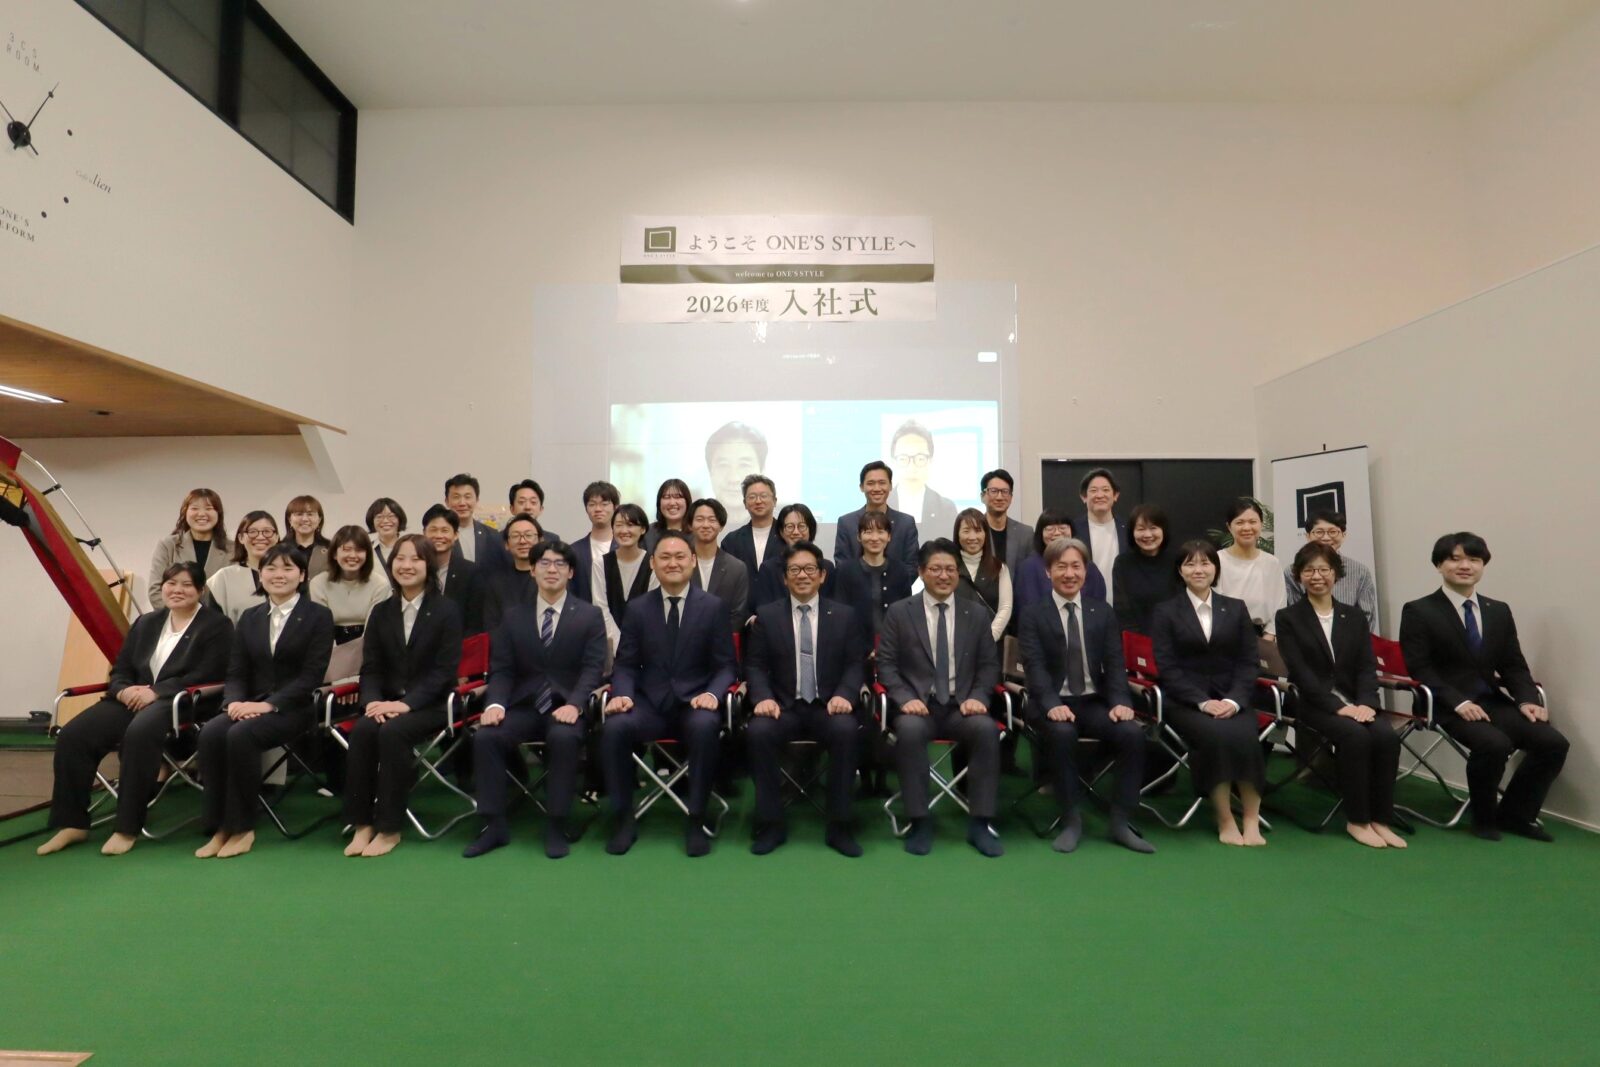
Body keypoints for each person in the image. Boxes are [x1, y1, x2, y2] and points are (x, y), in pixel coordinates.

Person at [37, 562, 233, 856]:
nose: (177, 590)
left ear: (201, 590)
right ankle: (72, 823)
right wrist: (123, 689)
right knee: (74, 736)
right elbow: (121, 669)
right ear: (162, 587)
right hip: (133, 698)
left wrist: (157, 691)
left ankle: (126, 827)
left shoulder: (217, 626)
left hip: (180, 703)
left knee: (139, 733)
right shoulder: (146, 623)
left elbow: (210, 673)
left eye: (186, 585)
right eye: (171, 583)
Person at [1399, 532, 1568, 841]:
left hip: (1490, 700)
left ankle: (1516, 815)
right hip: (1445, 703)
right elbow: (1420, 668)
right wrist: (1459, 702)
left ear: (1483, 565)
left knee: (1553, 743)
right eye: (1455, 559)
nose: (1465, 566)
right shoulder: (1419, 610)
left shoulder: (1498, 611)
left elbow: (1513, 664)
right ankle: (1484, 818)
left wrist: (1527, 699)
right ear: (1439, 565)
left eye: (1473, 559)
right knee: (1493, 744)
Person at [464, 541, 609, 860]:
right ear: (532, 570)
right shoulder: (513, 617)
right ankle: (494, 825)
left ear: (571, 573)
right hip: (525, 706)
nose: (552, 569)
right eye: (544, 563)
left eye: (560, 564)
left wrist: (575, 704)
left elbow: (592, 669)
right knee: (486, 737)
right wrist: (495, 704)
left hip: (567, 707)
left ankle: (557, 824)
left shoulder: (589, 616)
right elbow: (502, 669)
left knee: (563, 738)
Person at [601, 531, 737, 857]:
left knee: (705, 727)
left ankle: (696, 818)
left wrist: (713, 695)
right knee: (615, 727)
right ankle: (623, 819)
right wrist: (623, 694)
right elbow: (626, 664)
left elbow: (726, 666)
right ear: (653, 563)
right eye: (665, 557)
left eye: (679, 557)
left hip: (695, 703)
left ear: (692, 561)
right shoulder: (637, 609)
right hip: (649, 704)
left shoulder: (713, 607)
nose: (672, 563)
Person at [195, 544, 334, 859]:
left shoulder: (318, 616)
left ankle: (242, 827)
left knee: (240, 735)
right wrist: (232, 703)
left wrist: (268, 705)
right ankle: (218, 826)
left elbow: (311, 676)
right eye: (271, 568)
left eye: (287, 568)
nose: (278, 575)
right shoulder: (250, 617)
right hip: (248, 705)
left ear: (302, 575)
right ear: (261, 574)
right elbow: (236, 671)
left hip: (294, 707)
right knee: (211, 733)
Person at [1017, 538, 1154, 854]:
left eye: (1076, 566)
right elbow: (1035, 668)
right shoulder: (1033, 614)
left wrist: (1121, 702)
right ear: (1048, 572)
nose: (1069, 573)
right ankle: (1071, 821)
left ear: (1086, 570)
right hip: (1050, 702)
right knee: (1062, 733)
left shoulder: (1101, 612)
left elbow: (1115, 664)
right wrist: (1052, 705)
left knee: (1132, 733)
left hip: (1093, 702)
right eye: (1061, 567)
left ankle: (1120, 822)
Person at [878, 538, 1004, 857]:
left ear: (958, 573)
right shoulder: (900, 612)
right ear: (922, 572)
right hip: (918, 705)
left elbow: (989, 665)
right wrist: (905, 698)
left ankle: (980, 823)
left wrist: (979, 696)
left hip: (962, 705)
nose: (944, 575)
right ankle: (919, 821)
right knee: (909, 732)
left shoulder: (976, 614)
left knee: (986, 730)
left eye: (950, 569)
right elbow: (886, 665)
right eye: (936, 569)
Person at [341, 534, 463, 858]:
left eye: (416, 559)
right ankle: (361, 824)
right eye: (400, 558)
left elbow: (444, 672)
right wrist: (371, 702)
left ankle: (389, 828)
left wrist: (405, 704)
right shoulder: (381, 612)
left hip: (432, 705)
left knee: (393, 732)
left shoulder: (447, 611)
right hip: (386, 702)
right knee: (364, 730)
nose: (406, 565)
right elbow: (371, 667)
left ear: (429, 565)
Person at [1275, 542, 1404, 850]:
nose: (1317, 576)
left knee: (1386, 737)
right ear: (1299, 576)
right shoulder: (1288, 617)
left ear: (1336, 574)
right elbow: (1300, 672)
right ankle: (1357, 820)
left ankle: (1381, 819)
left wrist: (1367, 704)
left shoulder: (1354, 617)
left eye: (1324, 569)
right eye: (1309, 570)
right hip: (1312, 702)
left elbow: (1366, 667)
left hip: (1356, 701)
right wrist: (1337, 707)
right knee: (1355, 737)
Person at [744, 541, 868, 858]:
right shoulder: (767, 616)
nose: (803, 575)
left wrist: (845, 694)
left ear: (822, 575)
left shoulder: (844, 616)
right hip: (783, 706)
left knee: (846, 730)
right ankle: (770, 823)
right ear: (784, 578)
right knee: (758, 732)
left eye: (810, 569)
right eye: (795, 570)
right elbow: (754, 665)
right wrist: (763, 698)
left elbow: (856, 663)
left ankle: (840, 825)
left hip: (829, 705)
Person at [1148, 540, 1266, 847]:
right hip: (1186, 701)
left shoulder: (1236, 608)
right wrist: (1202, 702)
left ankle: (1251, 818)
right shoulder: (1165, 612)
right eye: (1190, 564)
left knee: (1246, 735)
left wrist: (1233, 700)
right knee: (1215, 736)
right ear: (1180, 571)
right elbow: (1167, 667)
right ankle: (1225, 818)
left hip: (1233, 698)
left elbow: (1249, 662)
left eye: (1205, 563)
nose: (1198, 570)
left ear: (1215, 568)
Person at [1285, 510, 1378, 631]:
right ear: (1308, 536)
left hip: (1350, 638)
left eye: (1333, 532)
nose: (1326, 537)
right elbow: (1294, 616)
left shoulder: (1360, 571)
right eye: (1319, 532)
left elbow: (1367, 616)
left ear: (1343, 535)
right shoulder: (1293, 571)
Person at [832, 510, 914, 640]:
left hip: (894, 644)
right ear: (859, 537)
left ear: (889, 536)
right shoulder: (846, 571)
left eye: (880, 532)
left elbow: (906, 613)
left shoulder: (900, 570)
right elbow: (841, 614)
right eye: (868, 532)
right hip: (856, 644)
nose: (875, 538)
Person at [309, 525, 392, 645]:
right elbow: (321, 628)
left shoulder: (380, 584)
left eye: (359, 550)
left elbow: (373, 630)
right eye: (347, 549)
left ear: (367, 554)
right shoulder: (318, 583)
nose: (353, 555)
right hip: (329, 645)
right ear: (334, 554)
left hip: (368, 645)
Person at [1216, 497, 1287, 635]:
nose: (1247, 528)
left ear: (1261, 524)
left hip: (1261, 636)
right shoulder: (1217, 560)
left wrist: (1269, 636)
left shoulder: (1272, 563)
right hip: (1224, 635)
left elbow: (1280, 605)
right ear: (1229, 527)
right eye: (1240, 522)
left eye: (1253, 522)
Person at [147, 488, 232, 605]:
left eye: (209, 508)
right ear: (185, 512)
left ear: (219, 514)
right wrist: (180, 615)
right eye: (195, 508)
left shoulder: (233, 549)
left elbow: (237, 592)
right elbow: (155, 591)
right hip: (176, 614)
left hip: (220, 616)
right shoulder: (168, 545)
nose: (201, 514)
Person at [834, 460, 919, 570]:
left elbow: (912, 566)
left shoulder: (906, 523)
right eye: (871, 483)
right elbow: (842, 565)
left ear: (890, 486)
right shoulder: (846, 523)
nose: (877, 488)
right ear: (861, 487)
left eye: (882, 483)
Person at [1112, 503, 1182, 634]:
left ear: (1163, 530)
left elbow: (1182, 604)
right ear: (1132, 532)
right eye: (1141, 529)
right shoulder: (1122, 563)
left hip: (1172, 636)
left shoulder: (1177, 561)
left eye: (1153, 528)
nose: (1148, 534)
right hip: (1135, 638)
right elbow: (1121, 608)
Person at [1014, 511, 1106, 611]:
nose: (1057, 533)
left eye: (1063, 528)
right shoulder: (1028, 567)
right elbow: (1026, 606)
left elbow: (1098, 604)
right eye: (1050, 529)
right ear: (1040, 533)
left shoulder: (1087, 565)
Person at [887, 420, 959, 543]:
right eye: (903, 459)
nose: (912, 467)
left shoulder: (946, 509)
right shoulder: (880, 506)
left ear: (930, 460)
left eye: (920, 458)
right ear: (893, 462)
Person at [687, 498, 751, 635]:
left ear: (721, 526)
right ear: (690, 525)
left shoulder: (737, 568)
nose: (705, 525)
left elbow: (738, 615)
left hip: (722, 642)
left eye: (712, 520)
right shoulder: (680, 564)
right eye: (699, 519)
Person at [754, 503, 837, 608]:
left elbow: (832, 607)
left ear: (810, 529)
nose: (796, 532)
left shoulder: (827, 567)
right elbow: (764, 610)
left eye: (802, 526)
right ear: (781, 532)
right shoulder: (768, 568)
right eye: (790, 527)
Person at [204, 511, 279, 623]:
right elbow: (213, 624)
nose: (260, 537)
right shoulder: (223, 578)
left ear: (277, 537)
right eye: (252, 532)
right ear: (241, 537)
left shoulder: (290, 575)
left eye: (267, 531)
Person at [421, 504, 484, 634]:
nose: (439, 535)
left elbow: (475, 620)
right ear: (424, 533)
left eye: (445, 530)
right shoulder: (415, 569)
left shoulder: (471, 572)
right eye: (433, 530)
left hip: (458, 641)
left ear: (455, 535)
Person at [1072, 468, 1131, 605]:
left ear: (1115, 495)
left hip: (1123, 605)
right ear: (1084, 497)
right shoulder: (1073, 530)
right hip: (1085, 604)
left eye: (1105, 490)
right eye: (1093, 490)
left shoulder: (1129, 530)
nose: (1100, 495)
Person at [601, 503, 655, 651]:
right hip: (610, 646)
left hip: (645, 645)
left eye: (630, 525)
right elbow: (601, 607)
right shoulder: (601, 563)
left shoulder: (653, 563)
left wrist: (633, 645)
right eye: (619, 525)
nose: (624, 531)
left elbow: (652, 608)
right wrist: (620, 644)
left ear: (643, 529)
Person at [954, 508, 1012, 643]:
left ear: (985, 534)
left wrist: (989, 637)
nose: (972, 537)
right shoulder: (950, 568)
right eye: (966, 531)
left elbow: (1005, 607)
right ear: (957, 534)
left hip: (992, 642)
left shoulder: (999, 568)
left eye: (978, 530)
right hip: (956, 642)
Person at [483, 513, 544, 632]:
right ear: (507, 544)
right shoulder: (496, 582)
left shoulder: (552, 578)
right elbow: (491, 625)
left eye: (528, 535)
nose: (522, 541)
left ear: (540, 541)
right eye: (515, 536)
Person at [704, 421, 767, 530]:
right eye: (723, 465)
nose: (733, 478)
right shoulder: (689, 533)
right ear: (710, 472)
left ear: (762, 472)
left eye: (744, 465)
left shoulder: (784, 529)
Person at [445, 473, 509, 573]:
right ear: (447, 501)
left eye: (467, 497)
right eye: (456, 497)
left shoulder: (493, 535)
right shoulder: (440, 536)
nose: (462, 503)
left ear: (477, 500)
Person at [570, 480, 618, 605]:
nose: (598, 509)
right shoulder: (574, 551)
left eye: (604, 504)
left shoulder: (625, 548)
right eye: (592, 504)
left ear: (615, 507)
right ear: (586, 509)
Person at [722, 474, 779, 579]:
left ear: (774, 501)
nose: (758, 501)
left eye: (763, 496)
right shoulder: (731, 540)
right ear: (745, 503)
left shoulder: (787, 536)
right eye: (752, 497)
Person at [979, 469, 1032, 578]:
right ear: (982, 496)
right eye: (994, 491)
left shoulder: (1025, 533)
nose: (999, 497)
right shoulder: (974, 531)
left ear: (1011, 497)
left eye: (1004, 491)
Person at [284, 495, 331, 579]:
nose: (305, 519)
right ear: (289, 519)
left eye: (310, 514)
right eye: (299, 514)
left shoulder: (331, 548)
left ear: (319, 519)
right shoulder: (279, 549)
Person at [642, 477, 692, 554]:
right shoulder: (648, 533)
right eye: (666, 497)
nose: (672, 503)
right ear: (659, 503)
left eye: (677, 497)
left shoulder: (697, 532)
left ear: (687, 502)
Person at [364, 497, 407, 578]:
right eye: (379, 517)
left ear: (399, 519)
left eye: (391, 516)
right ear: (372, 521)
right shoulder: (366, 550)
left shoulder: (410, 548)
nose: (385, 521)